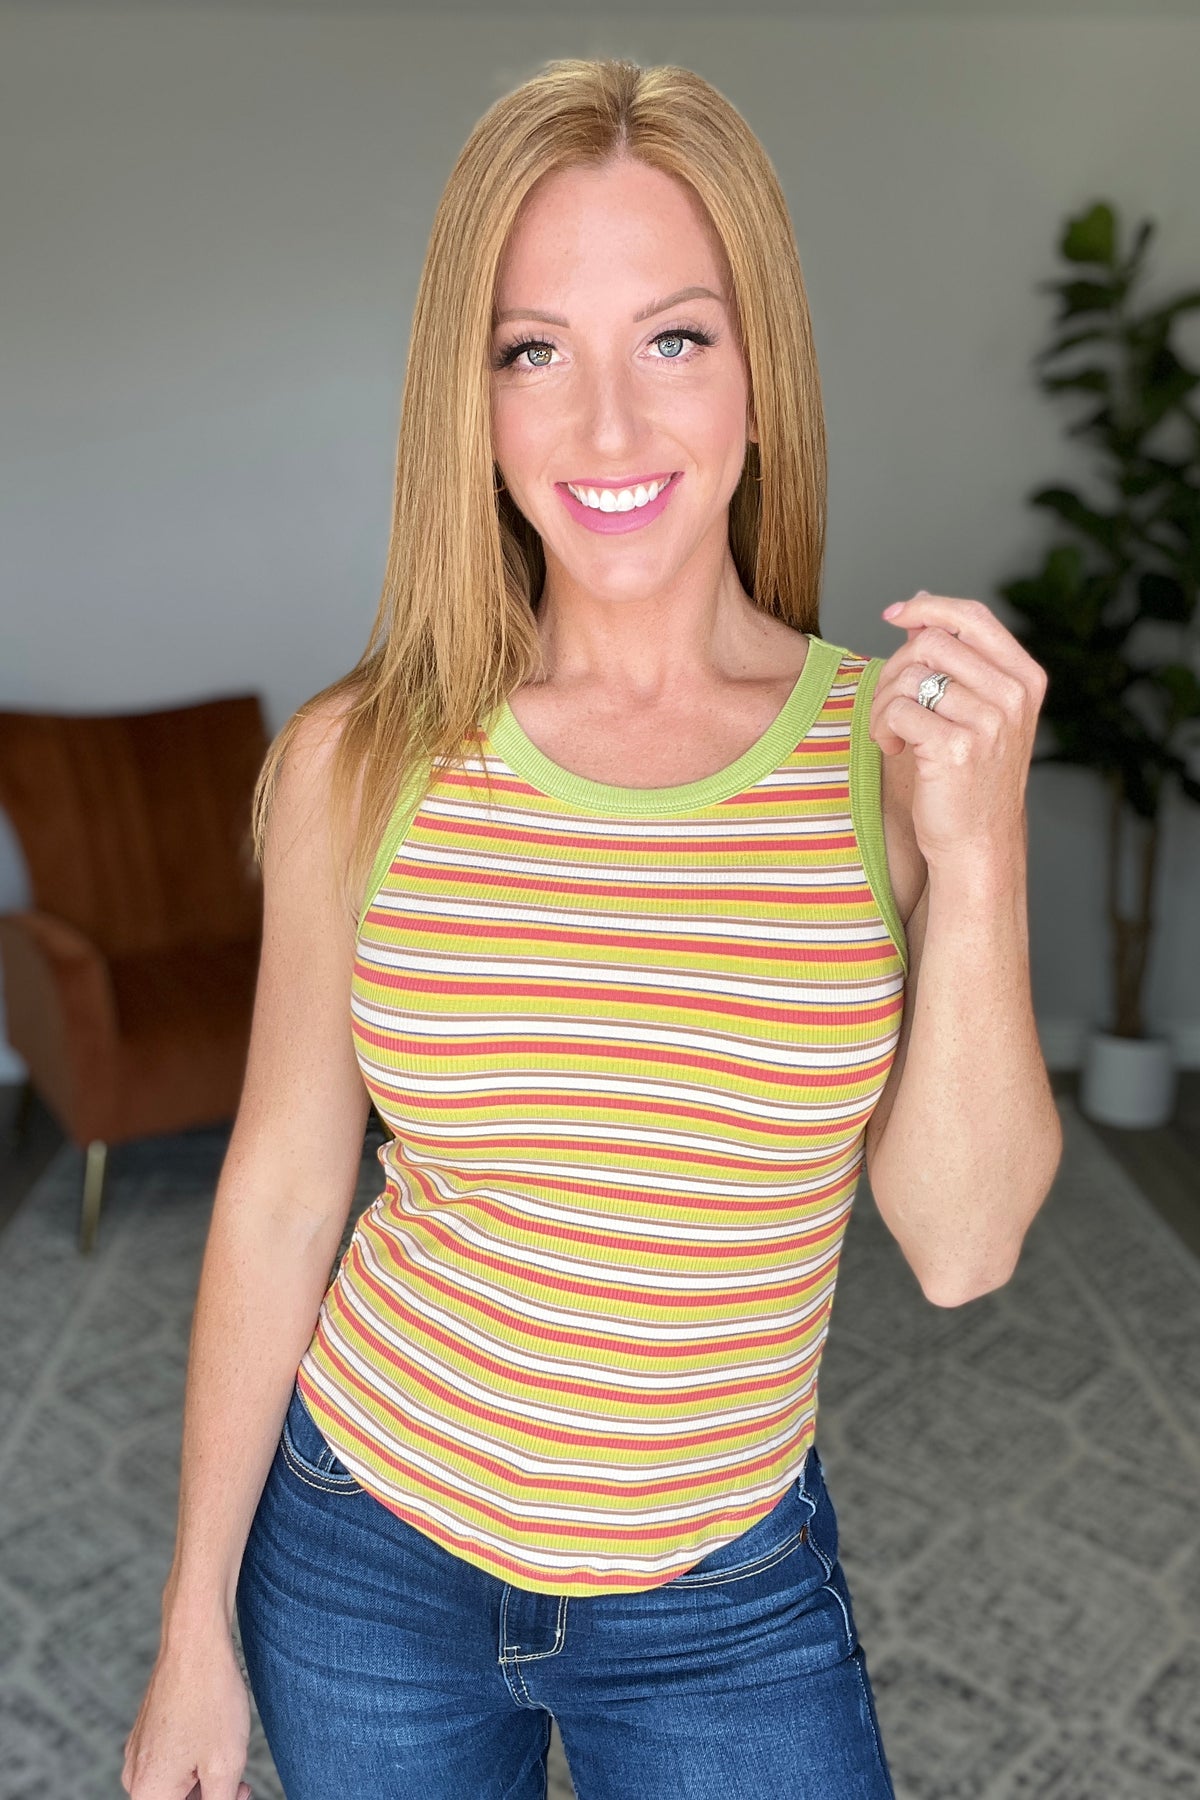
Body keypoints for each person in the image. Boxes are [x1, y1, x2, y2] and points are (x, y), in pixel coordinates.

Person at [122, 55, 1061, 1800]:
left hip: (724, 1597)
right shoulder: (360, 759)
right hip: (364, 1552)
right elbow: (281, 1193)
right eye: (534, 351)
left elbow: (962, 1246)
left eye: (675, 339)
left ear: (764, 373)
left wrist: (983, 853)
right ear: (470, 404)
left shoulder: (887, 755)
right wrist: (194, 1630)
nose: (609, 429)